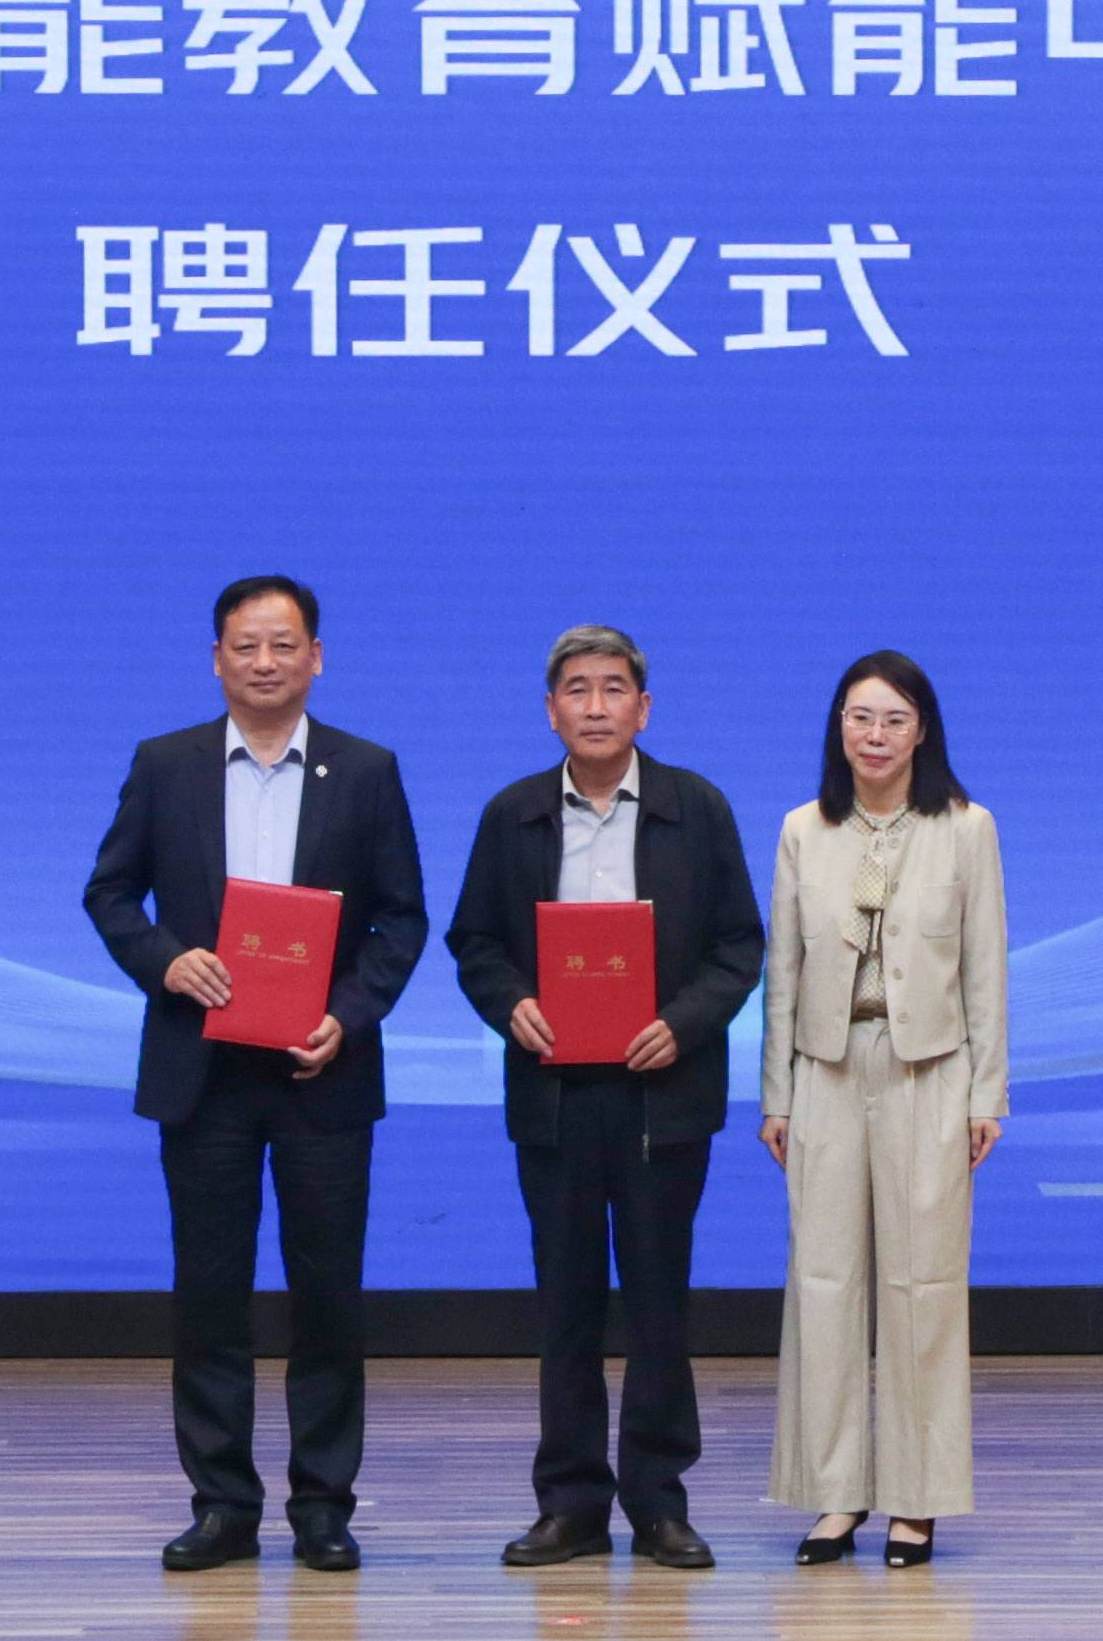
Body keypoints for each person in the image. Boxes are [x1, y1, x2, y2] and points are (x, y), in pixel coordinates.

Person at [84, 575, 433, 1574]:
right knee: (209, 1295)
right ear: (216, 660)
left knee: (327, 1295)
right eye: (246, 645)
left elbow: (401, 918)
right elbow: (109, 892)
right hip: (203, 1071)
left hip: (319, 1069)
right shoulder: (166, 764)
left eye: (284, 644)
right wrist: (165, 962)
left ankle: (322, 1505)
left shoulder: (365, 769)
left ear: (316, 656)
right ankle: (222, 1505)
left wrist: (345, 1017)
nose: (266, 662)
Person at [444, 624, 766, 1569]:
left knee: (660, 1302)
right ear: (550, 711)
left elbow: (739, 944)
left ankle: (659, 1503)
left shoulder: (695, 807)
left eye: (614, 688)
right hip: (554, 1096)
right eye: (577, 690)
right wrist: (511, 1003)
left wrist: (685, 1023)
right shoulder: (512, 814)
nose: (595, 706)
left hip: (663, 1095)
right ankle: (572, 1505)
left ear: (644, 708)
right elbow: (474, 942)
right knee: (567, 1304)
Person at [759, 649, 1008, 1568]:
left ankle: (917, 1499)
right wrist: (777, 1094)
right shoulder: (802, 829)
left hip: (928, 1070)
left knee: (924, 1287)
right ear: (838, 728)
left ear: (922, 731)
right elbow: (782, 973)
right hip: (826, 1069)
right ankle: (835, 1495)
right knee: (823, 1283)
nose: (875, 735)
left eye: (894, 719)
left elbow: (986, 968)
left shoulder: (966, 827)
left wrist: (987, 1094)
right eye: (860, 717)